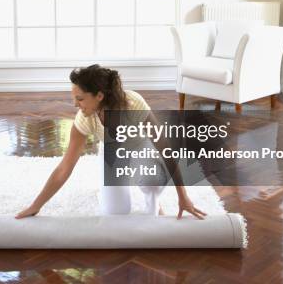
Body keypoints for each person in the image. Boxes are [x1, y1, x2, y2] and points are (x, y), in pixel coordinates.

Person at [15, 64, 206, 220]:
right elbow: (64, 168)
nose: (75, 104)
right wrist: (35, 206)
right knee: (116, 213)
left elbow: (165, 148)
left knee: (151, 183)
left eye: (80, 98)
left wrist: (183, 197)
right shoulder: (85, 118)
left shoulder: (133, 103)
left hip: (141, 149)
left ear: (99, 95)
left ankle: (154, 200)